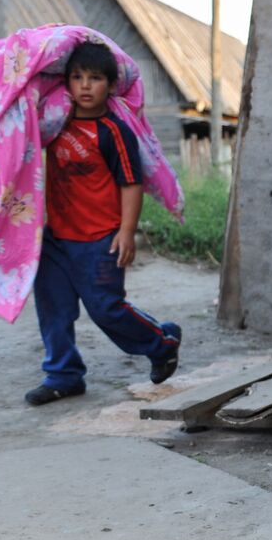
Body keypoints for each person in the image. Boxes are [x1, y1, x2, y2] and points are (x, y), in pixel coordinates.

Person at [26, 41, 182, 405]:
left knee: (107, 307)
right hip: (56, 240)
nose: (84, 86)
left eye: (94, 78)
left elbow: (132, 183)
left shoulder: (114, 131)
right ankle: (63, 375)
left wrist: (126, 232)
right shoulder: (53, 125)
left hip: (100, 239)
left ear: (110, 86)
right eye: (77, 77)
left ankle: (162, 343)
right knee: (53, 308)